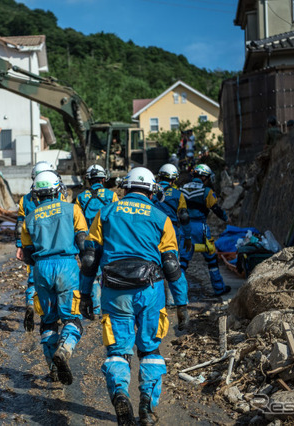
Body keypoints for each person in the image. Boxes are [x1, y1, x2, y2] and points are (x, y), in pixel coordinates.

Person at [80, 167, 181, 426]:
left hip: (114, 292)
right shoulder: (161, 217)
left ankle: (120, 392)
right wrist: (182, 303)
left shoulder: (106, 213)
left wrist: (85, 295)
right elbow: (171, 265)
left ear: (125, 188)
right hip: (150, 291)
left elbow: (90, 259)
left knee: (118, 350)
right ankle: (147, 404)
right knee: (150, 349)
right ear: (151, 190)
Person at [20, 170, 88, 385]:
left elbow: (27, 253)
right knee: (72, 318)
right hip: (67, 266)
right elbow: (83, 243)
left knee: (48, 322)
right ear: (58, 189)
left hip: (41, 268)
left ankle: (53, 368)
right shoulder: (73, 210)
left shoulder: (29, 218)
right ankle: (65, 348)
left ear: (37, 194)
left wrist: (40, 267)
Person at [15, 161, 66, 333]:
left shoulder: (25, 199)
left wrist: (20, 246)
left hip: (32, 242)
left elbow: (20, 224)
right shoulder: (59, 196)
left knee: (33, 277)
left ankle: (30, 303)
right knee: (57, 283)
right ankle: (55, 314)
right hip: (54, 242)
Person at [180, 164, 231, 296]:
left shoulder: (182, 189)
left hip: (184, 227)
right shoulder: (206, 191)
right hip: (200, 228)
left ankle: (178, 293)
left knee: (183, 261)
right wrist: (226, 218)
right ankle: (218, 288)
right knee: (211, 259)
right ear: (203, 177)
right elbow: (215, 208)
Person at [76, 164, 119, 317]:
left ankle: (93, 307)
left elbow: (77, 222)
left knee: (89, 272)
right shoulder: (111, 195)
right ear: (103, 179)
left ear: (88, 180)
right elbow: (116, 218)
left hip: (88, 241)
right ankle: (105, 309)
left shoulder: (80, 197)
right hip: (107, 238)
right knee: (107, 273)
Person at [153, 164, 192, 330]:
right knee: (173, 266)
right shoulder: (178, 194)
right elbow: (183, 216)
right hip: (172, 232)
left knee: (153, 267)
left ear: (160, 177)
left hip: (153, 231)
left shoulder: (151, 192)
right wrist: (188, 236)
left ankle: (156, 310)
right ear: (174, 178)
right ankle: (181, 309)